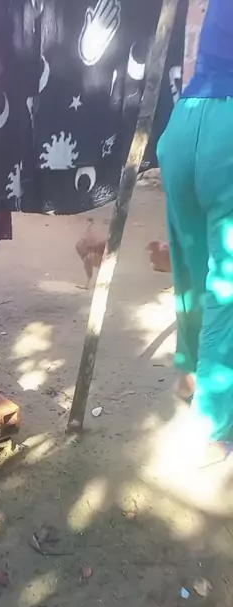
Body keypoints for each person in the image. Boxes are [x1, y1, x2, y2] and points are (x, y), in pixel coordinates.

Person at [157, 0, 233, 463]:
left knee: (192, 266)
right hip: (228, 133)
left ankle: (188, 374)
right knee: (227, 290)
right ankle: (212, 429)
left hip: (185, 121)